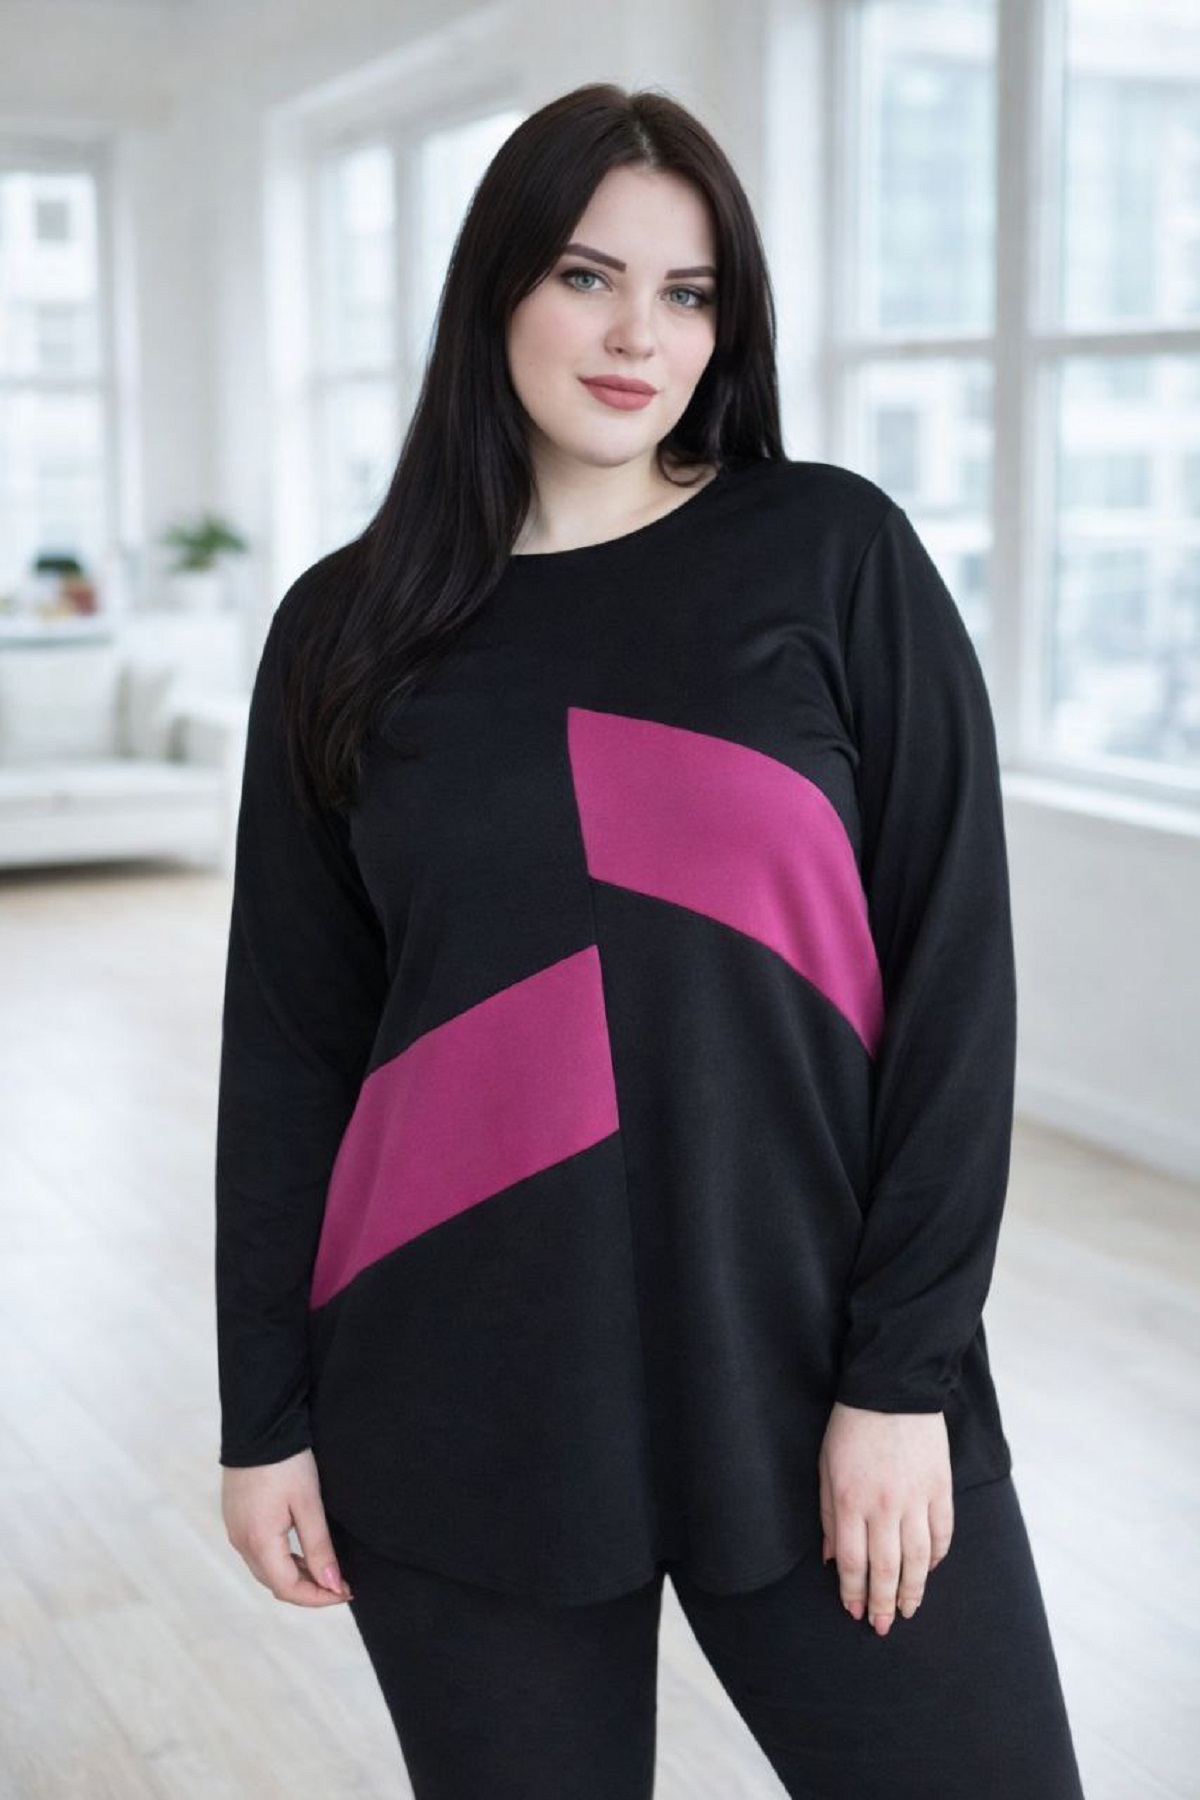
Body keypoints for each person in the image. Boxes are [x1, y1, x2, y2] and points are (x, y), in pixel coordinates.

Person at [215, 81, 1085, 1799]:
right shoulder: (345, 629)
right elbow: (293, 1048)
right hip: (461, 1390)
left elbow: (955, 992)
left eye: (688, 294)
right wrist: (266, 1420)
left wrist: (900, 1380)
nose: (640, 337)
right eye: (587, 277)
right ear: (495, 291)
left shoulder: (831, 555)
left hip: (813, 1372)